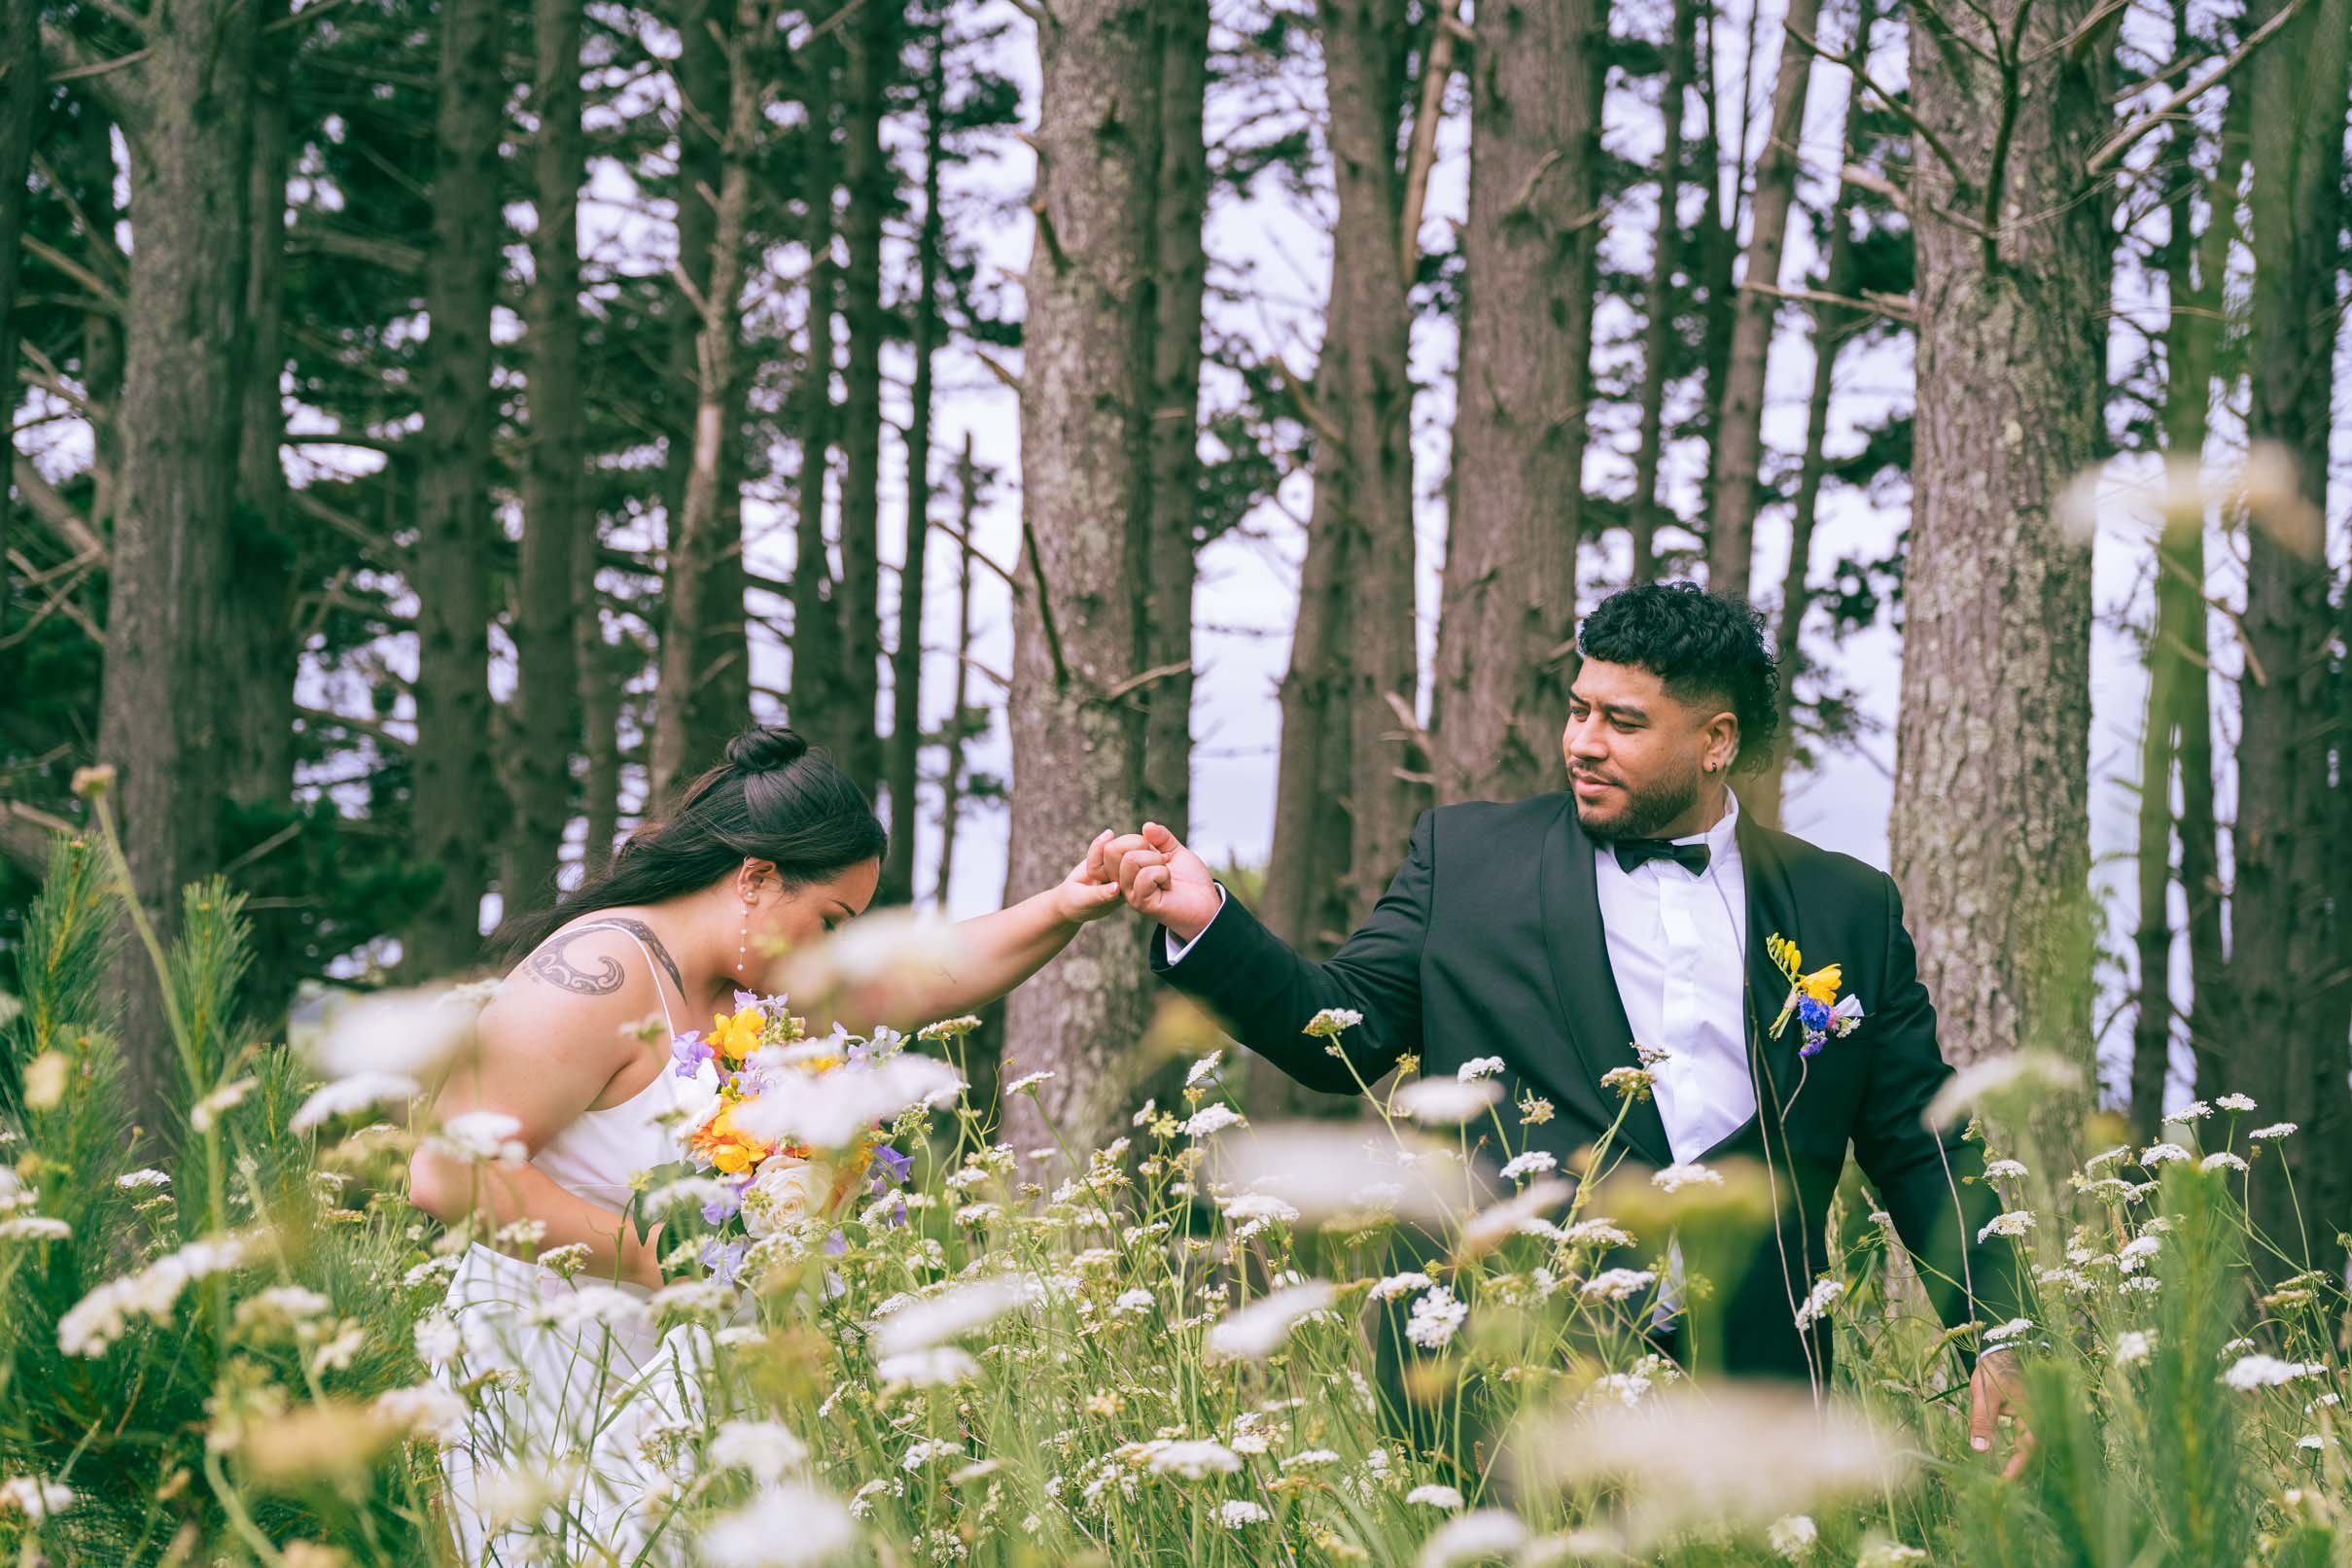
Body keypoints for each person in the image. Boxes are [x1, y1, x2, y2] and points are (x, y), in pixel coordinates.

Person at [1104, 582, 2034, 1470]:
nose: (1582, 742)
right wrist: (1207, 924)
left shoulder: (1847, 907)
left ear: (1716, 740)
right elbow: (1338, 1036)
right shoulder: (1463, 858)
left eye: (1622, 721)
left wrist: (1998, 1334)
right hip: (1493, 1378)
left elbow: (1918, 1144)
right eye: (1578, 708)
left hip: (1755, 1388)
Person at [408, 725, 1133, 1559]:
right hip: (543, 1372)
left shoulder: (745, 991)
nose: (832, 947)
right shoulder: (601, 966)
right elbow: (444, 1170)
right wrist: (652, 1260)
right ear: (755, 877)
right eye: (829, 920)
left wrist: (1067, 902)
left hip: (680, 1375)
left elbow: (921, 974)